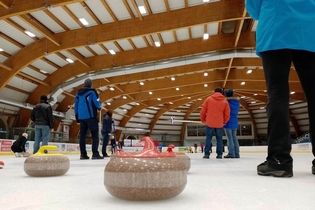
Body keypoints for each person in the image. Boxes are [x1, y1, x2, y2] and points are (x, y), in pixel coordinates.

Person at [246, 0, 315, 177]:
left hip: (275, 29)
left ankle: (279, 160)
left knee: (277, 95)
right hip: (310, 32)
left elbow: (254, 9)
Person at [74, 78, 103, 160]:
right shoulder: (92, 92)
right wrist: (99, 106)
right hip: (91, 117)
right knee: (95, 135)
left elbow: (76, 106)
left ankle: (83, 154)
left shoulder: (78, 94)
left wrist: (77, 117)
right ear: (91, 85)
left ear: (84, 84)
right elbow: (97, 104)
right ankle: (95, 154)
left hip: (81, 118)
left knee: (82, 136)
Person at [200, 88, 230, 159]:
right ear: (222, 92)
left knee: (208, 139)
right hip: (219, 123)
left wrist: (203, 119)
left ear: (214, 92)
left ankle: (206, 154)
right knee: (219, 139)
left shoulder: (209, 99)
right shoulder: (225, 101)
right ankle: (219, 154)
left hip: (209, 122)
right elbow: (227, 114)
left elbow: (203, 111)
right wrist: (224, 121)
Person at [224, 89, 240, 158]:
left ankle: (231, 154)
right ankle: (237, 154)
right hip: (235, 122)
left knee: (229, 138)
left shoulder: (226, 102)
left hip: (228, 122)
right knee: (234, 138)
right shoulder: (237, 102)